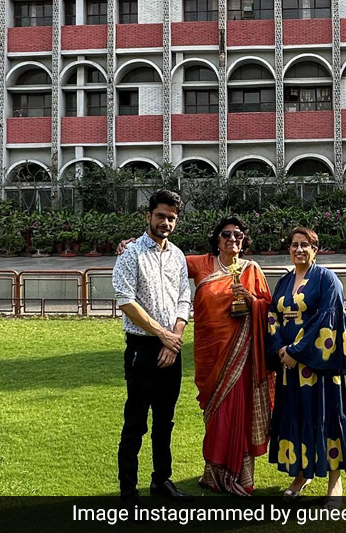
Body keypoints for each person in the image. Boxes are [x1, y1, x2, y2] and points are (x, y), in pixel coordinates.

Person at [267, 227, 346, 501]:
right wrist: (280, 349)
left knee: (326, 417)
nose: (299, 249)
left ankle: (335, 481)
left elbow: (327, 319)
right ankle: (302, 474)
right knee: (297, 416)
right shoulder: (284, 281)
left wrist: (296, 351)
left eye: (305, 245)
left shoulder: (327, 279)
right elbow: (272, 315)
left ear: (315, 250)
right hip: (290, 368)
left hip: (319, 367)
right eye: (294, 245)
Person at [113, 190, 194, 504]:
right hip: (142, 348)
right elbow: (125, 301)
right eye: (160, 216)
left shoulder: (177, 255)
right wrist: (163, 335)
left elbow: (184, 299)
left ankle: (162, 481)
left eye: (171, 218)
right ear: (148, 216)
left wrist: (174, 339)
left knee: (165, 420)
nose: (166, 223)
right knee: (136, 422)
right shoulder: (131, 253)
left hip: (171, 347)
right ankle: (128, 493)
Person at [187, 216, 275, 496]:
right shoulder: (201, 264)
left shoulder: (251, 269)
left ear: (244, 240)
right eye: (226, 234)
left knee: (237, 412)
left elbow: (269, 309)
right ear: (217, 239)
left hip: (242, 356)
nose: (232, 239)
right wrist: (134, 245)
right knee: (216, 415)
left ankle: (240, 475)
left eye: (238, 235)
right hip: (210, 354)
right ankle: (213, 473)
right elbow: (165, 260)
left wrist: (251, 300)